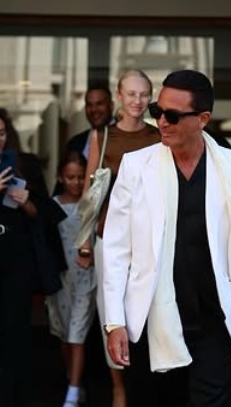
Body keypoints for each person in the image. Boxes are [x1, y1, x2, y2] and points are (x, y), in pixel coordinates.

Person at [103, 69, 231, 406]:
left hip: (213, 318)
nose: (161, 122)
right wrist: (114, 322)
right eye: (157, 112)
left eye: (172, 116)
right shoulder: (135, 166)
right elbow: (116, 250)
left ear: (202, 119)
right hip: (151, 316)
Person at [0, 105, 66, 406]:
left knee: (18, 336)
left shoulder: (25, 164)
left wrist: (26, 202)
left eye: (1, 133)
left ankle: (19, 396)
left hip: (19, 259)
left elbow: (45, 215)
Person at [79, 69, 162, 407]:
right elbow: (89, 194)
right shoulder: (102, 136)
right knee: (110, 314)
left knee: (149, 311)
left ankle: (146, 382)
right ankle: (118, 387)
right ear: (119, 96)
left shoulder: (159, 137)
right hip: (108, 238)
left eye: (143, 94)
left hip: (149, 241)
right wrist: (84, 242)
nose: (137, 101)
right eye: (131, 94)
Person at [45, 151, 97, 407]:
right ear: (60, 177)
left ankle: (72, 394)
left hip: (86, 277)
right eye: (70, 177)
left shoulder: (92, 205)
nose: (75, 183)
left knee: (77, 334)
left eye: (80, 177)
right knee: (65, 335)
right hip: (61, 279)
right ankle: (73, 380)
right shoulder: (53, 205)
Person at [67, 83, 115, 158]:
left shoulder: (124, 137)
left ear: (111, 106)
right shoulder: (75, 143)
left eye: (99, 104)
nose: (93, 109)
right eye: (89, 105)